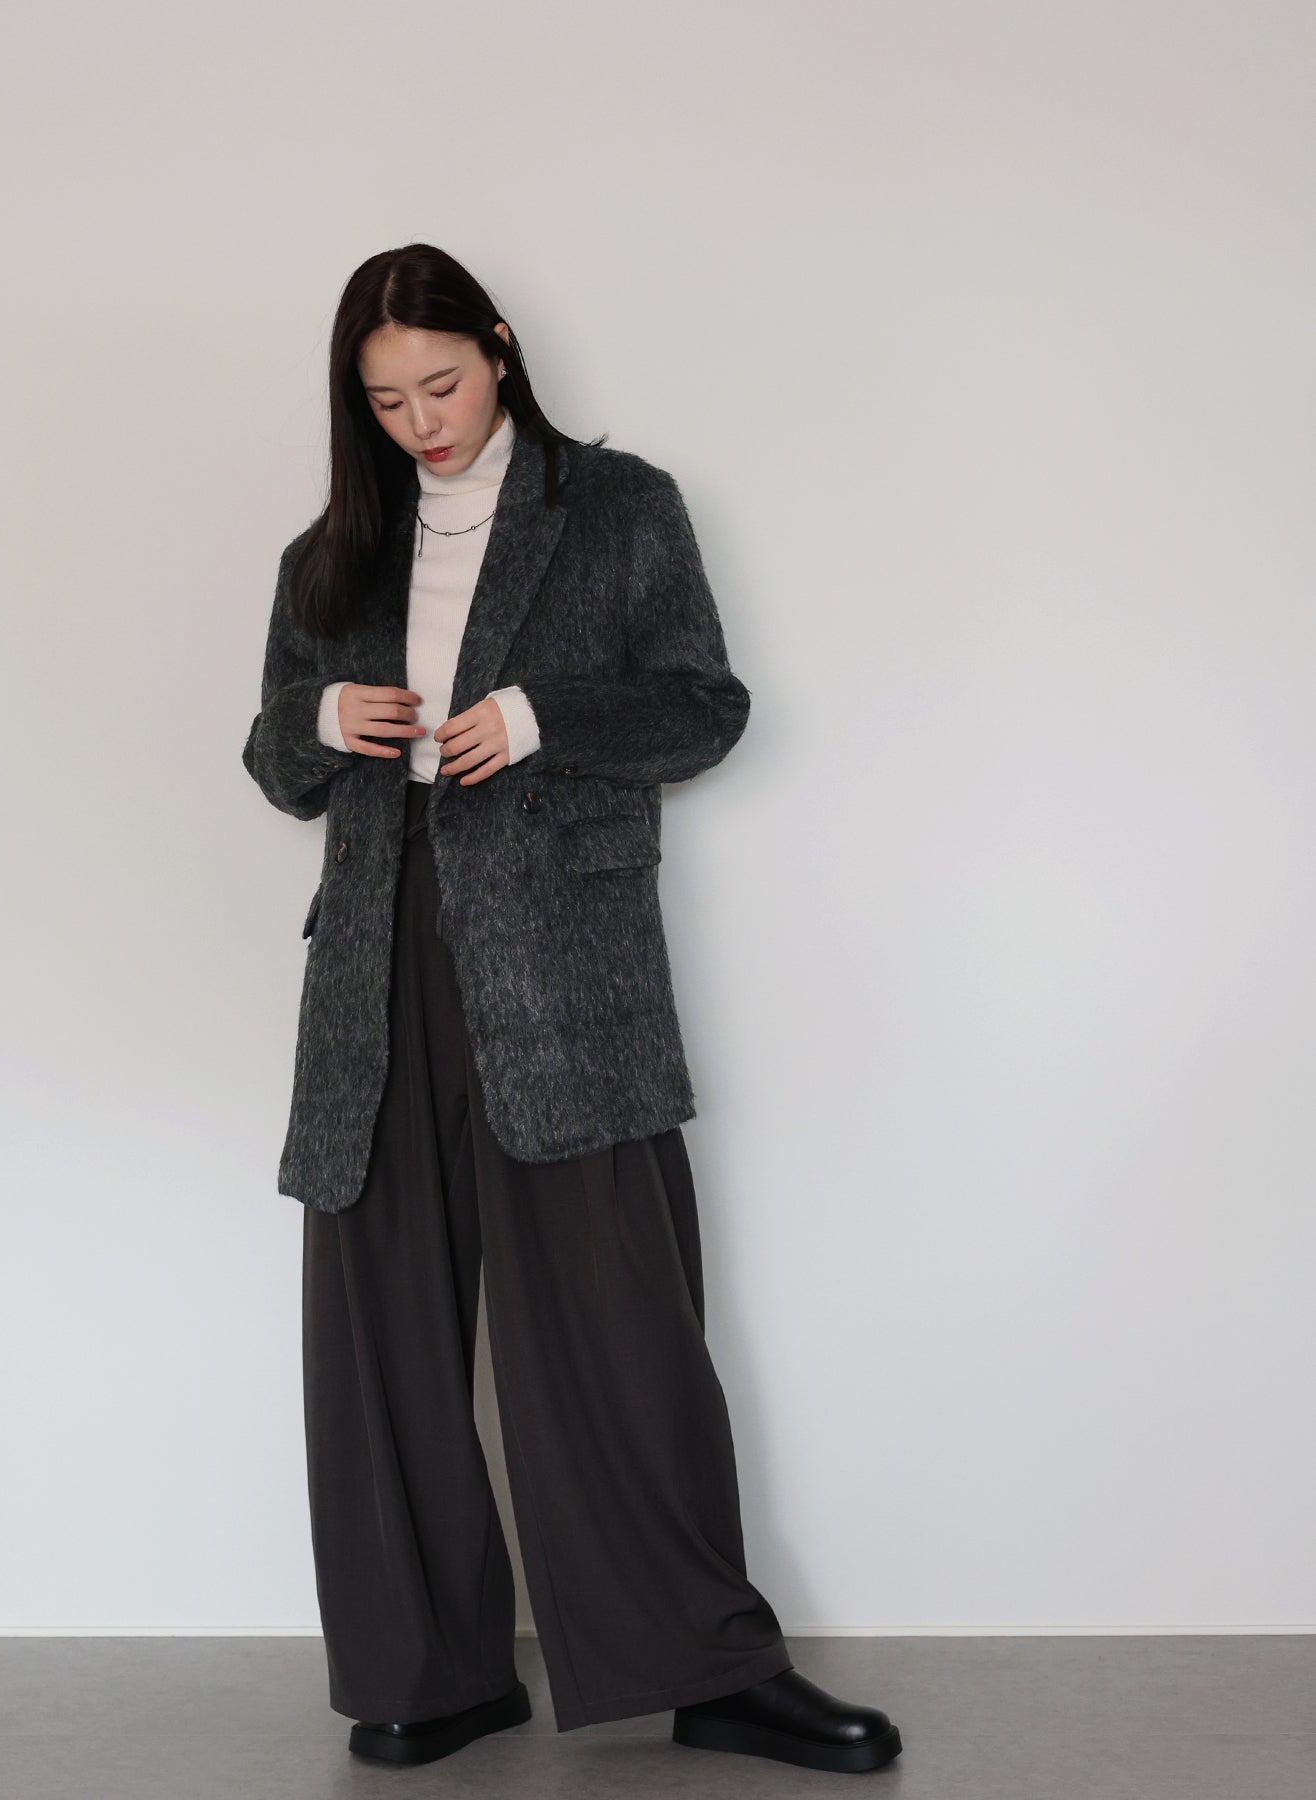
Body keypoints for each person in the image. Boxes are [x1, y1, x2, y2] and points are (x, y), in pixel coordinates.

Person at [240, 244, 903, 1775]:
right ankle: (427, 1675)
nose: (422, 422)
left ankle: (709, 1668)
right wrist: (319, 716)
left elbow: (704, 707)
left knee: (615, 1321)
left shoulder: (616, 509)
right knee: (383, 1331)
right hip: (375, 965)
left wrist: (542, 717)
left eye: (443, 384)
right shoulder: (330, 556)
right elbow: (279, 763)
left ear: (499, 346)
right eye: (387, 401)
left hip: (564, 962)